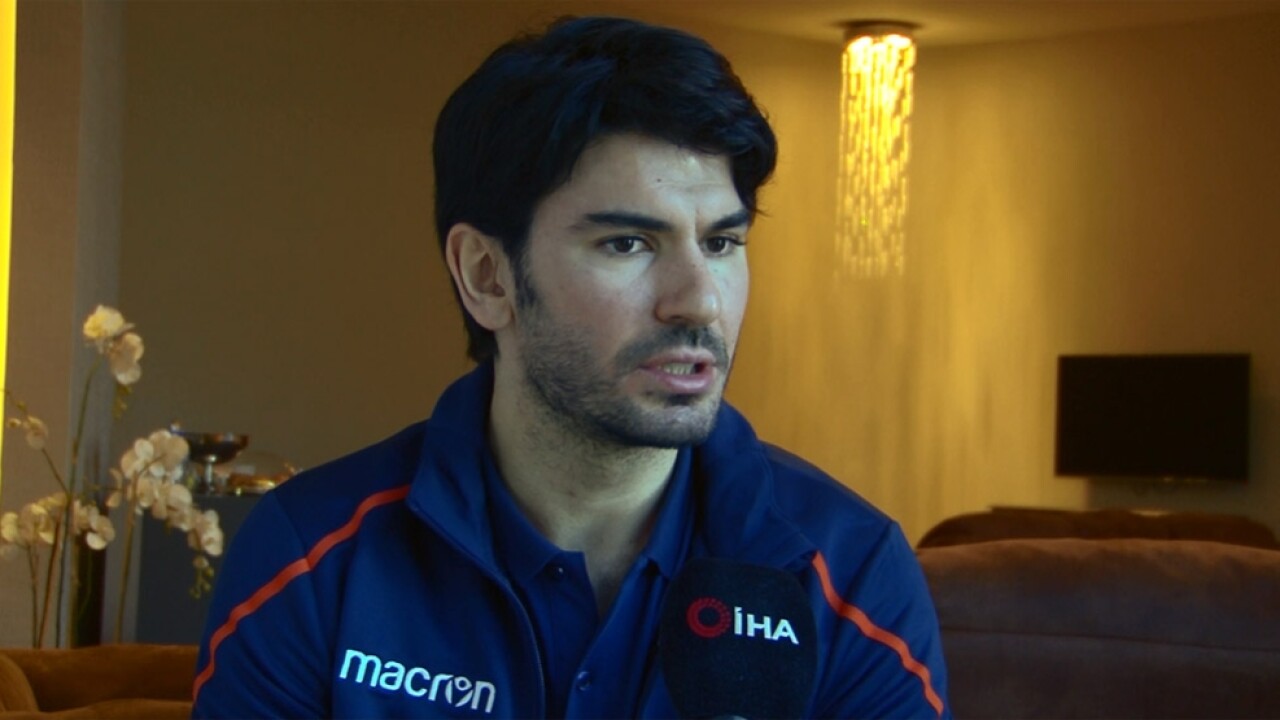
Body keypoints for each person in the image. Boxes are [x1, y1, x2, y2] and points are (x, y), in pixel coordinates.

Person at [192, 15, 948, 719]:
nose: (699, 301)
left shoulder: (852, 577)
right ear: (487, 276)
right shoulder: (311, 559)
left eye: (721, 243)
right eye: (628, 244)